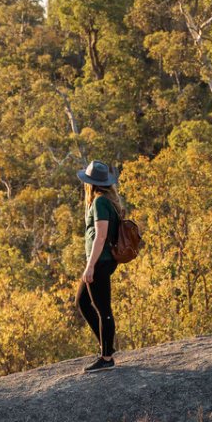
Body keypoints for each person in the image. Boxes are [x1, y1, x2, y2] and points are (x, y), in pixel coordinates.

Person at [75, 160, 124, 373]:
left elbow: (101, 236)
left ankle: (106, 358)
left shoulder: (100, 203)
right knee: (83, 302)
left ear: (90, 183)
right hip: (102, 261)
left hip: (101, 261)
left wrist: (90, 266)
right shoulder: (107, 201)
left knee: (103, 309)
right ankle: (107, 346)